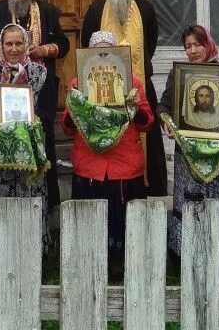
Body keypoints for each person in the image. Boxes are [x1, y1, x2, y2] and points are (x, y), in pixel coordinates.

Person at [0, 0, 70, 208]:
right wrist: (6, 53)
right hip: (1, 91)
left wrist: (44, 50)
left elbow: (64, 45)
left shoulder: (47, 11)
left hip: (38, 92)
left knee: (43, 148)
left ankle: (44, 206)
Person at [62, 30, 153, 279]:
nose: (102, 57)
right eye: (96, 52)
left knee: (123, 218)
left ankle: (121, 263)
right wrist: (75, 109)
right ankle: (89, 262)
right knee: (90, 216)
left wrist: (135, 107)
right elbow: (67, 127)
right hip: (90, 163)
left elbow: (147, 122)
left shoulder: (132, 82)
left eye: (108, 51)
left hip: (123, 163)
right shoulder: (78, 83)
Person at [159, 24, 219, 272]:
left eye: (197, 44)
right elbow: (164, 107)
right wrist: (166, 122)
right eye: (188, 46)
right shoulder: (178, 75)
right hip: (189, 154)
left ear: (207, 44)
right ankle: (187, 256)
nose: (192, 50)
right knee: (191, 203)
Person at [80, 0, 167, 196]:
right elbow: (86, 46)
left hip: (139, 86)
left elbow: (150, 43)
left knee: (145, 131)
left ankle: (145, 184)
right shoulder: (96, 9)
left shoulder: (145, 8)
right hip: (101, 88)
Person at [0, 23, 53, 265]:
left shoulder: (41, 74)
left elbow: (47, 113)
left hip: (30, 156)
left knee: (30, 204)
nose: (14, 48)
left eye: (19, 43)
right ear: (0, 46)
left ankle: (30, 257)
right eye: (9, 43)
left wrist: (27, 125)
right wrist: (4, 129)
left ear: (26, 45)